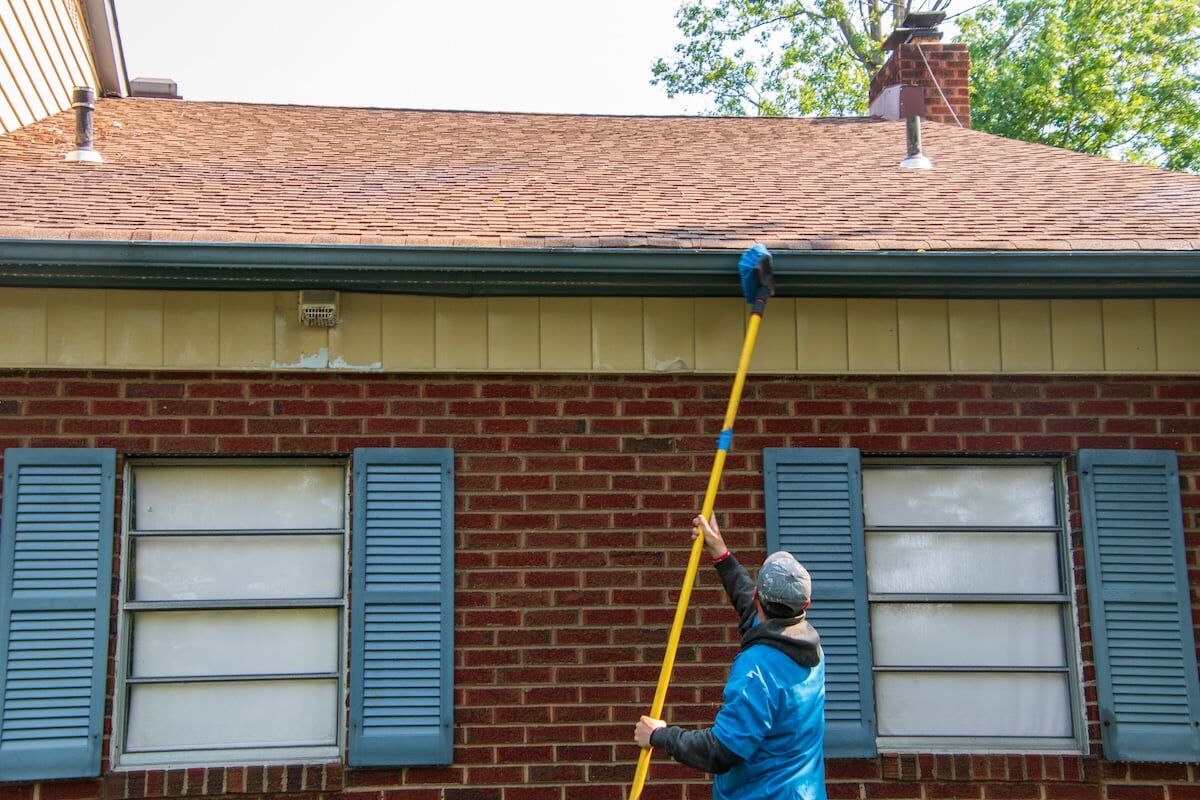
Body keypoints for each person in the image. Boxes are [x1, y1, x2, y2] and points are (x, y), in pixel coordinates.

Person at [633, 514, 826, 800]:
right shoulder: (809, 646)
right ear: (805, 604)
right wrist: (720, 553)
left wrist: (661, 735)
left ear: (760, 596)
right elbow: (751, 607)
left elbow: (723, 750)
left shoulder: (756, 670)